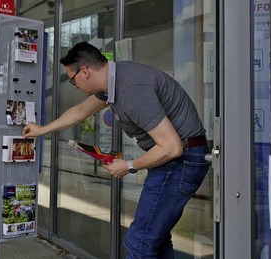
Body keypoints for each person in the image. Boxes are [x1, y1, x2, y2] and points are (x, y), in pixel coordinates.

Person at [22, 42, 209, 258]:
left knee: (139, 242)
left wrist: (129, 166)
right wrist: (43, 129)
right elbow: (80, 111)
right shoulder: (114, 82)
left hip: (181, 161)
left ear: (85, 71)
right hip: (175, 160)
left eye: (73, 80)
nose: (74, 86)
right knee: (155, 238)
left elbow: (172, 147)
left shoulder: (131, 90)